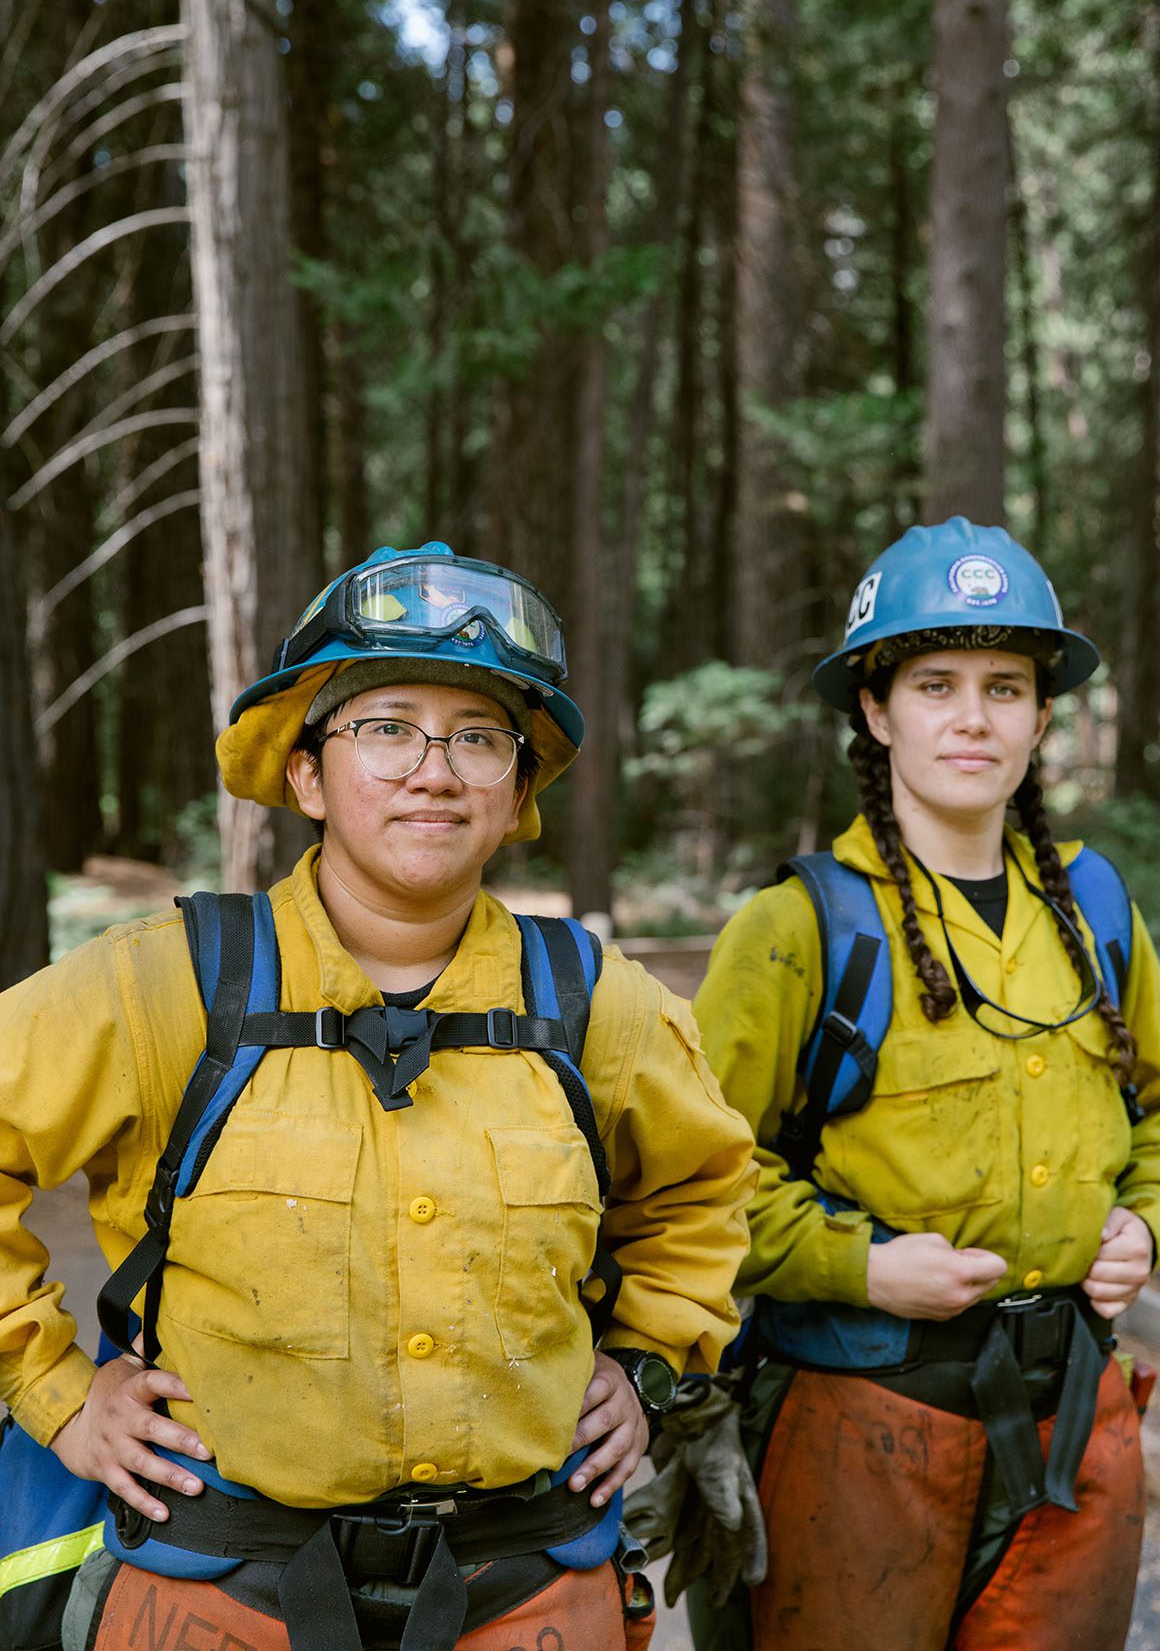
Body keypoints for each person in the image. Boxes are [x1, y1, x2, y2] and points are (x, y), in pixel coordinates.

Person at [0, 541, 755, 1651]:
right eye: (386, 727)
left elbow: (703, 1192)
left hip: (531, 1598)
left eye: (477, 739)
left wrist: (645, 1364)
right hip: (215, 1597)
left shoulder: (602, 1010)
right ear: (307, 773)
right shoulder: (165, 986)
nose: (433, 769)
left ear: (519, 792)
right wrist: (57, 1392)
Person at [691, 517, 1160, 1651]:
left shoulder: (1095, 909)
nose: (973, 717)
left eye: (1006, 687)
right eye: (936, 684)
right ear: (877, 712)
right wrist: (857, 1265)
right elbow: (690, 1183)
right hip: (860, 1422)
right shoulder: (800, 929)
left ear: (1042, 715)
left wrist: (1149, 1220)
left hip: (1077, 1418)